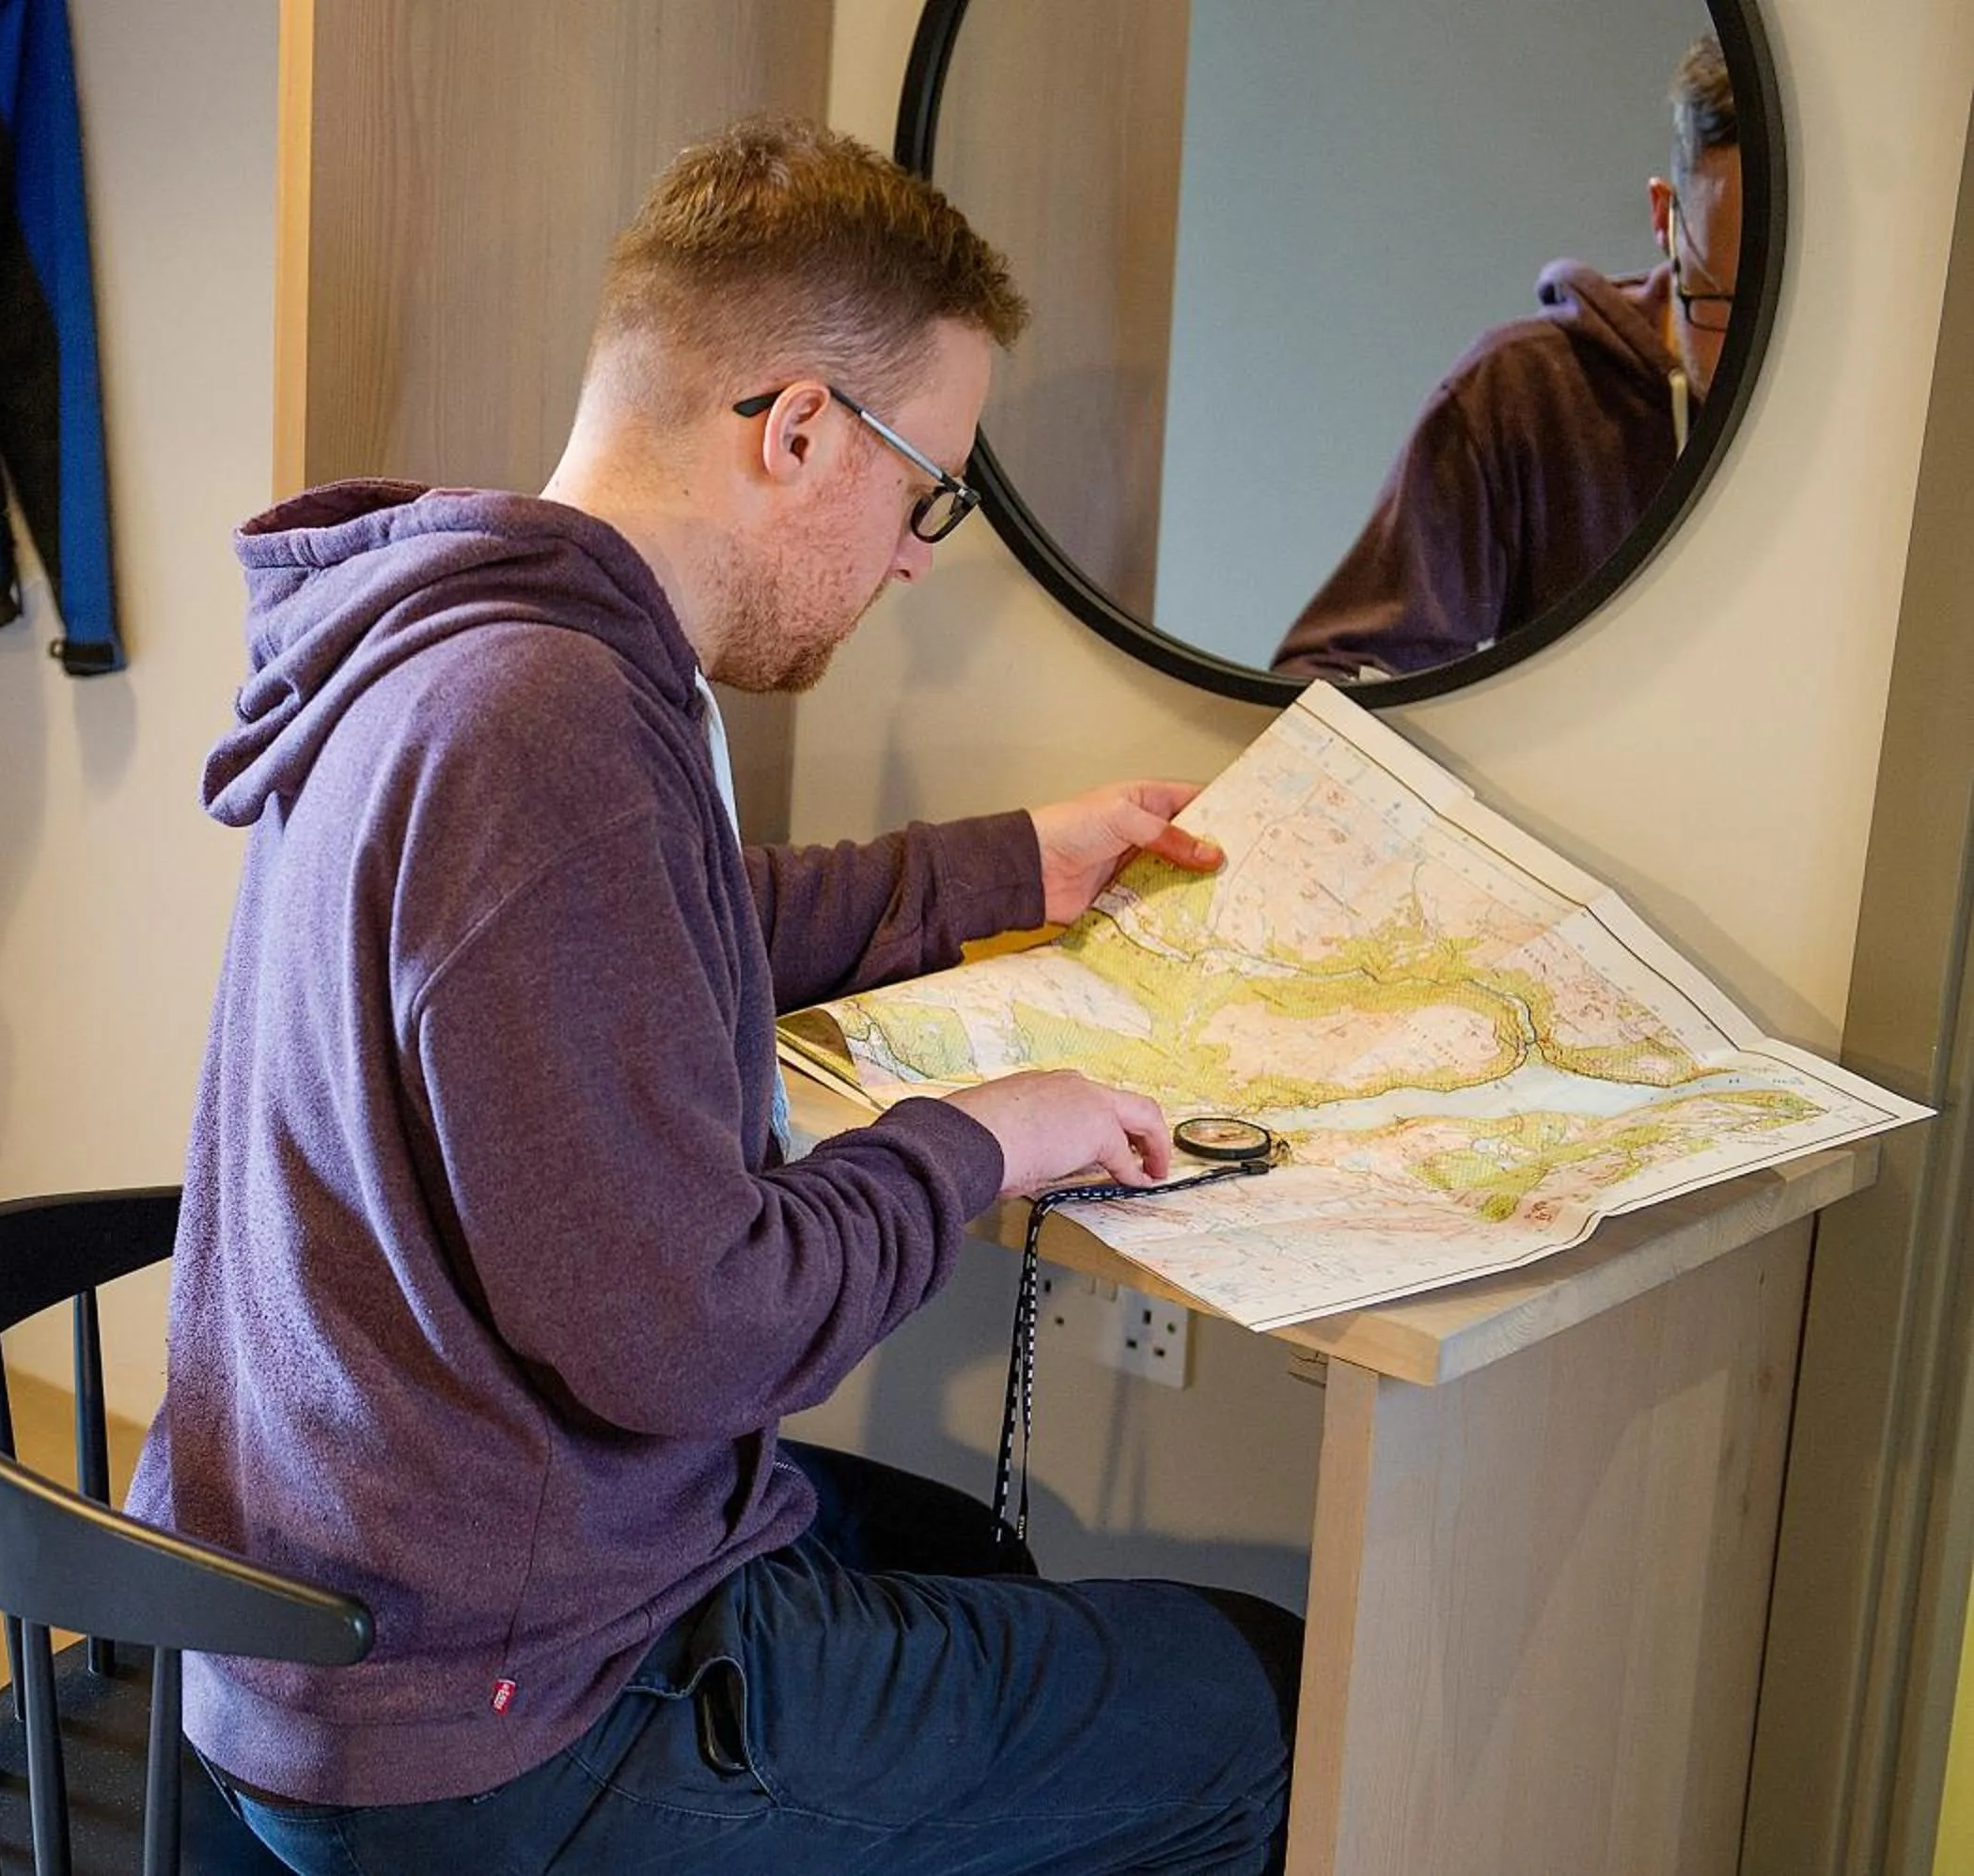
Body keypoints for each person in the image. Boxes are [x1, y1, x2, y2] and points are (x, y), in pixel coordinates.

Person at [126, 116, 1300, 1874]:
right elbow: (695, 1332)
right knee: (1265, 1708)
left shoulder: (455, 645)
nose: (918, 556)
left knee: (960, 1557)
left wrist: (1007, 866)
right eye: (929, 493)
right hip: (497, 1725)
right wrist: (977, 1142)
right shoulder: (553, 727)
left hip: (351, 1620)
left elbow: (645, 933)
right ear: (803, 427)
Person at [1270, 35, 1742, 681]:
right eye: (1720, 300)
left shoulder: (1883, 416)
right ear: (1665, 218)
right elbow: (1335, 672)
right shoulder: (1521, 392)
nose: (1751, 350)